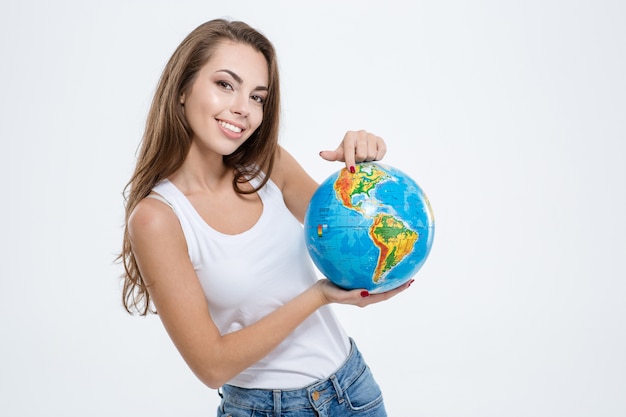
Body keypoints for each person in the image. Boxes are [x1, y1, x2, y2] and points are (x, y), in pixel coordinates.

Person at [119, 18, 412, 417]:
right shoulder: (157, 218)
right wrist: (318, 297)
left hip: (352, 390)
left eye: (258, 97)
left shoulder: (267, 163)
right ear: (183, 88)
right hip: (263, 408)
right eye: (225, 84)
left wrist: (358, 164)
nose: (243, 109)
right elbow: (212, 365)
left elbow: (351, 232)